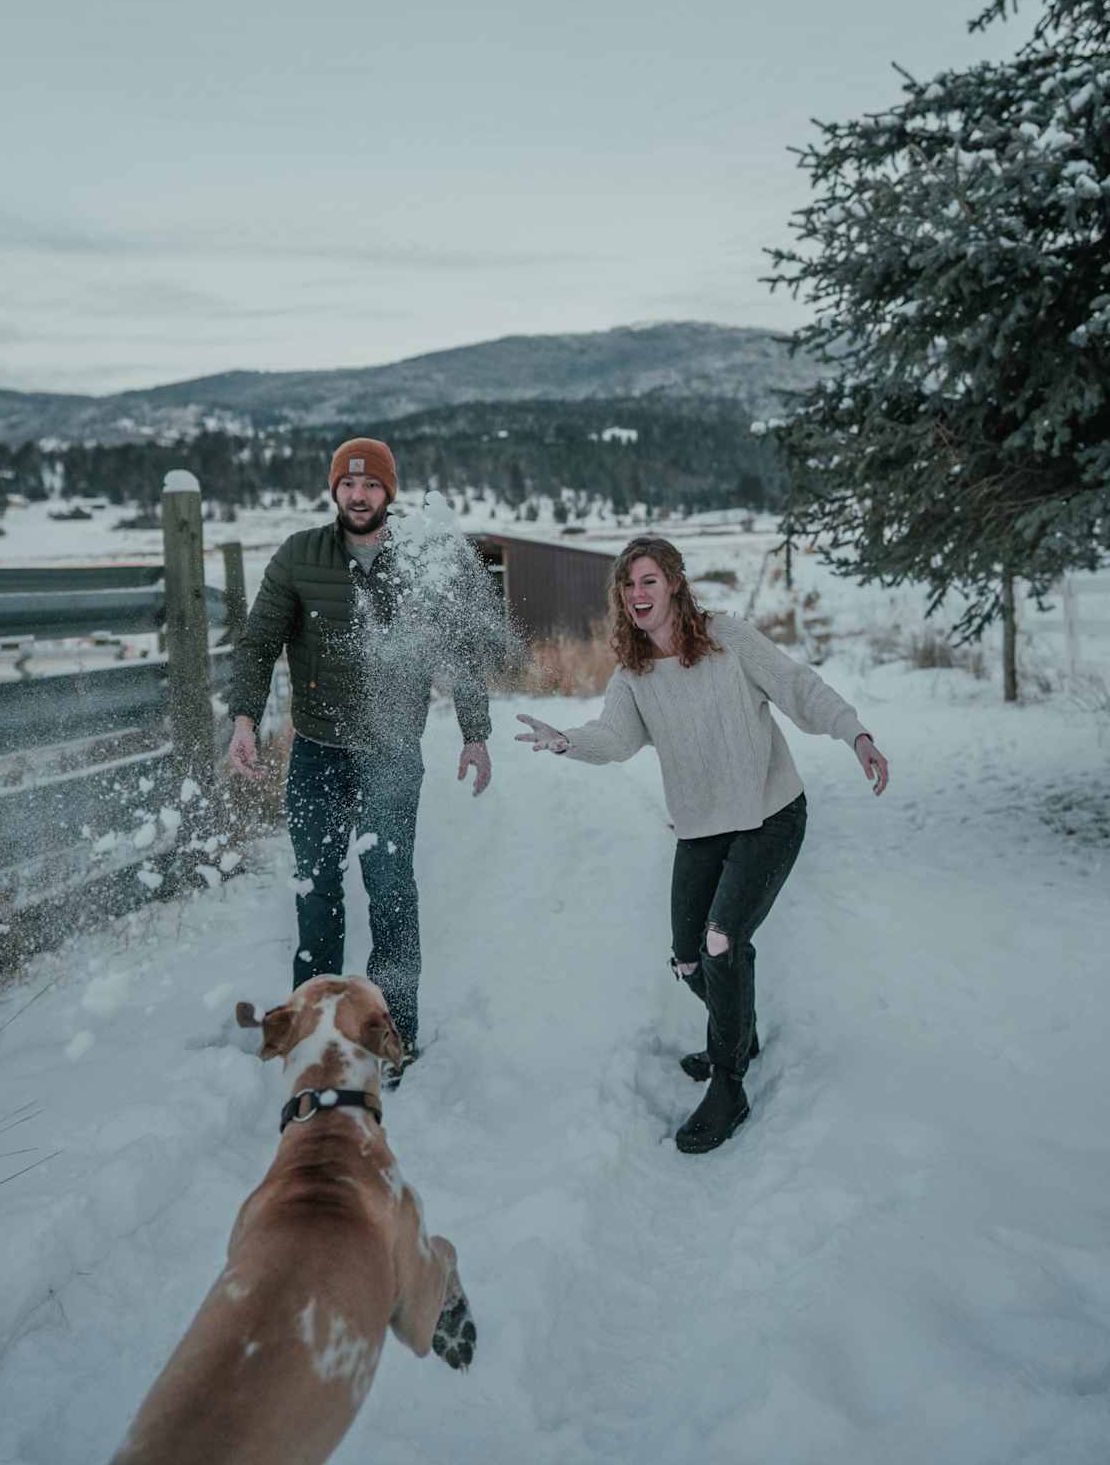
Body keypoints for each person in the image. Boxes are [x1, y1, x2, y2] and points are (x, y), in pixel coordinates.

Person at [516, 534, 888, 1154]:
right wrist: (566, 741)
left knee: (722, 940)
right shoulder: (634, 672)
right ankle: (741, 1030)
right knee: (689, 955)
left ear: (674, 584)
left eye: (649, 581)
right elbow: (614, 737)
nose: (638, 594)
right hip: (703, 827)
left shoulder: (727, 639)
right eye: (628, 585)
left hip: (770, 815)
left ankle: (729, 1081)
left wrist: (856, 734)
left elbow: (798, 688)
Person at [228, 437, 494, 1082]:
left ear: (389, 492)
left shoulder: (422, 559)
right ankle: (310, 1032)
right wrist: (243, 719)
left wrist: (475, 732)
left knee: (390, 889)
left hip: (391, 753)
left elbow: (459, 648)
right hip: (317, 751)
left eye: (370, 485)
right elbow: (260, 641)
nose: (358, 495)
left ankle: (389, 1033)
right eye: (347, 485)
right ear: (333, 491)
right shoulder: (300, 555)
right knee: (316, 891)